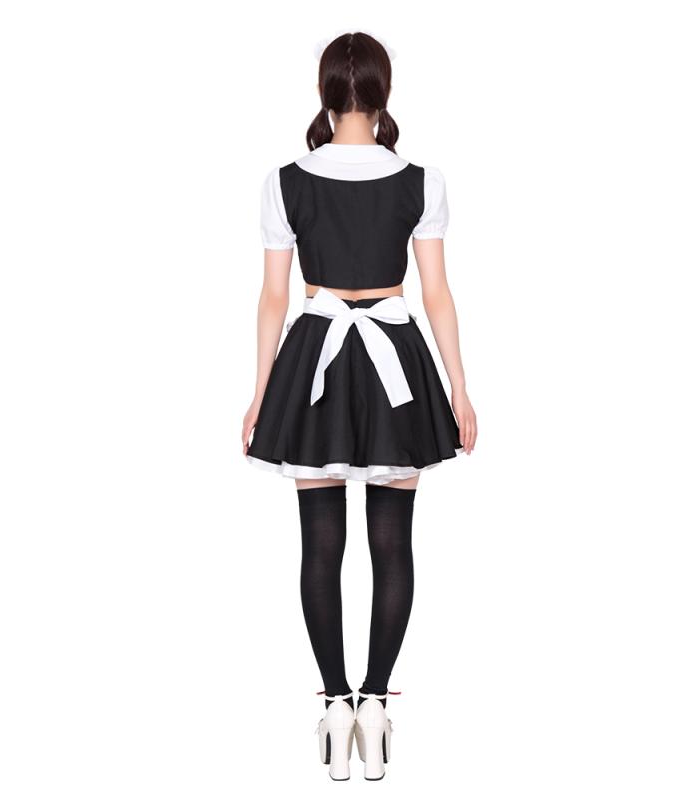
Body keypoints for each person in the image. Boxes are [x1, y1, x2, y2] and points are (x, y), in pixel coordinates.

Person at [241, 31, 477, 780]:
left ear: (325, 92)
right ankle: (376, 704)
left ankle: (336, 706)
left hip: (314, 354)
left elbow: (274, 297)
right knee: (392, 543)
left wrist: (260, 393)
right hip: (395, 355)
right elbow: (436, 293)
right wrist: (460, 387)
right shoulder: (421, 180)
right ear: (383, 93)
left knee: (319, 543)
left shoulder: (285, 181)